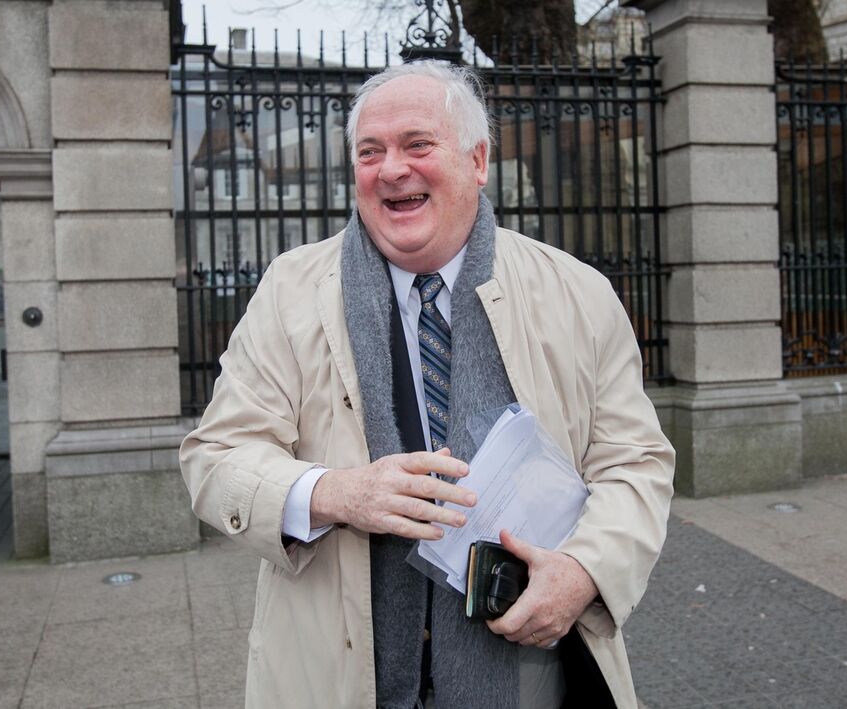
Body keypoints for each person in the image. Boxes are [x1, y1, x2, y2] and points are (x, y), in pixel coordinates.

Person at [179, 60, 674, 709]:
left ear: (477, 160)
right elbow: (214, 460)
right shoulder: (289, 292)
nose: (391, 169)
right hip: (340, 678)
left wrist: (584, 573)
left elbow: (635, 466)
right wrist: (336, 492)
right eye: (370, 152)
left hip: (535, 680)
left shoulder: (578, 294)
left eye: (417, 144)